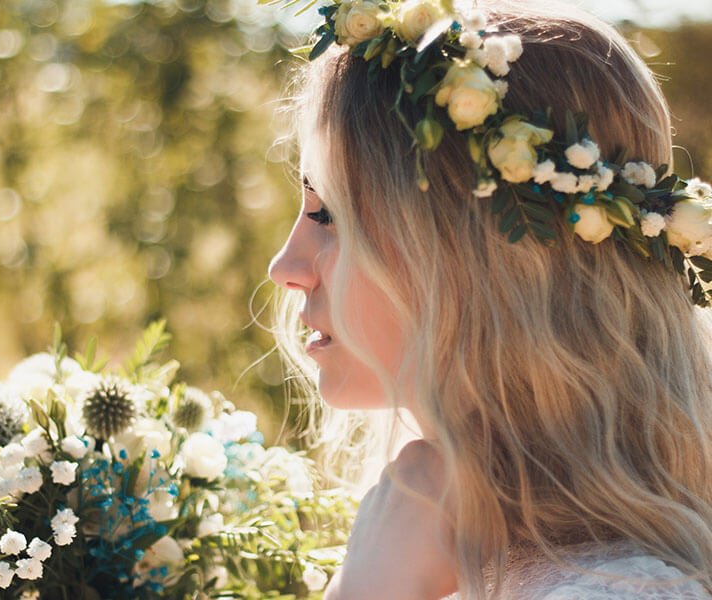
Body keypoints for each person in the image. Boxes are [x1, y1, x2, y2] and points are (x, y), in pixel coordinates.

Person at [267, 0, 712, 598]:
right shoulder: (439, 543)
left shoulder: (621, 588)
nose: (284, 267)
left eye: (332, 215)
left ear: (478, 256)